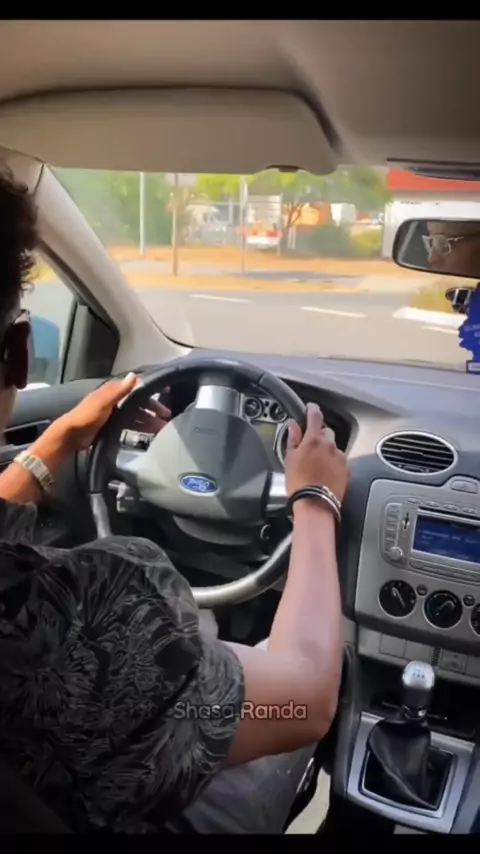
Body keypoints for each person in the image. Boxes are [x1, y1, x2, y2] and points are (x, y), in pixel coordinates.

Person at [0, 168, 347, 834]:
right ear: (20, 354)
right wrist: (314, 499)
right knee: (308, 674)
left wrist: (53, 446)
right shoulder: (94, 613)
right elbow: (306, 698)